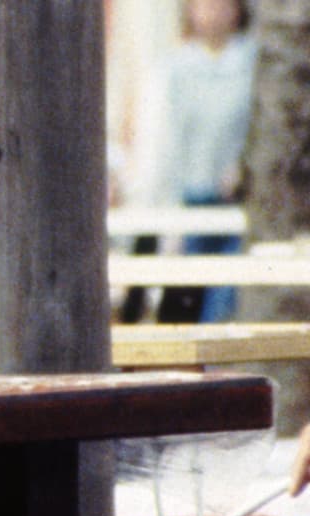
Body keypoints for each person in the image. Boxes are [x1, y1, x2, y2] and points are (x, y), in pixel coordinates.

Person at [128, 0, 256, 323]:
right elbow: (163, 140)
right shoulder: (174, 67)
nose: (213, 14)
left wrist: (243, 166)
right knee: (185, 300)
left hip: (236, 200)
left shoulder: (253, 65)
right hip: (189, 197)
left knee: (226, 298)